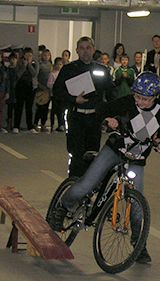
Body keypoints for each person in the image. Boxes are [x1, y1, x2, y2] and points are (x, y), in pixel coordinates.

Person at [50, 71, 160, 263]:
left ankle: (139, 245)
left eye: (146, 99)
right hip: (115, 150)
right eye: (137, 97)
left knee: (138, 204)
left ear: (156, 97)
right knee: (86, 185)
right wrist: (109, 120)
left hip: (137, 158)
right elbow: (102, 110)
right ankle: (62, 208)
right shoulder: (127, 102)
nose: (140, 102)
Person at [53, 36, 114, 177]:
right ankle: (74, 186)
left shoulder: (102, 69)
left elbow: (111, 92)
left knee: (92, 154)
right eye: (82, 48)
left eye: (88, 48)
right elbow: (57, 92)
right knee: (76, 155)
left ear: (93, 50)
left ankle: (89, 187)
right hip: (76, 116)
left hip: (94, 118)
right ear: (77, 51)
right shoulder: (69, 69)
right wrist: (74, 99)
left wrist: (112, 114)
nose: (85, 51)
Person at [13, 47, 39, 134]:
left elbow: (34, 74)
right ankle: (16, 126)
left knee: (29, 108)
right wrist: (24, 65)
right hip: (20, 87)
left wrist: (29, 64)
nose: (29, 57)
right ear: (24, 55)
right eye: (27, 55)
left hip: (31, 87)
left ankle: (30, 127)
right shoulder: (19, 63)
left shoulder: (35, 63)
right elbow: (18, 74)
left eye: (30, 55)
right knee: (19, 107)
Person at [34, 49, 52, 132]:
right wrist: (40, 85)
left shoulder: (51, 65)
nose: (46, 57)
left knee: (46, 108)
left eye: (48, 55)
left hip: (48, 90)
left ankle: (43, 124)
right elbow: (36, 76)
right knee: (39, 108)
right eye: (45, 55)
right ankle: (35, 123)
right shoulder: (39, 64)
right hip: (40, 89)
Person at [48, 57, 64, 132]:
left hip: (61, 95)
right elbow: (49, 84)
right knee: (54, 110)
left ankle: (61, 124)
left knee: (60, 110)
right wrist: (55, 85)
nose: (59, 66)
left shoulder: (63, 74)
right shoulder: (52, 74)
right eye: (58, 64)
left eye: (60, 64)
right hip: (54, 95)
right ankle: (52, 124)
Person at [6, 53, 18, 131]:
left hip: (17, 91)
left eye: (14, 59)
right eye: (11, 59)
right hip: (9, 91)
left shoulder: (18, 69)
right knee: (9, 108)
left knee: (16, 109)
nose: (13, 61)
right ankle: (9, 124)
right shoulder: (7, 70)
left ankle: (15, 125)